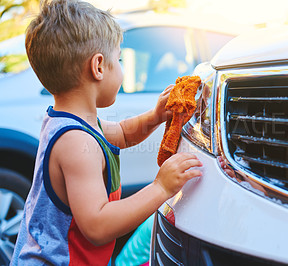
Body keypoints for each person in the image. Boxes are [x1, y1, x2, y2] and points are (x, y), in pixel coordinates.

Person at [11, 0, 202, 265]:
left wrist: (155, 116)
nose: (121, 68)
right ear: (98, 66)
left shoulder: (75, 123)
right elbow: (98, 226)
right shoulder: (75, 142)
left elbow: (123, 134)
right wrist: (160, 187)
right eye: (119, 59)